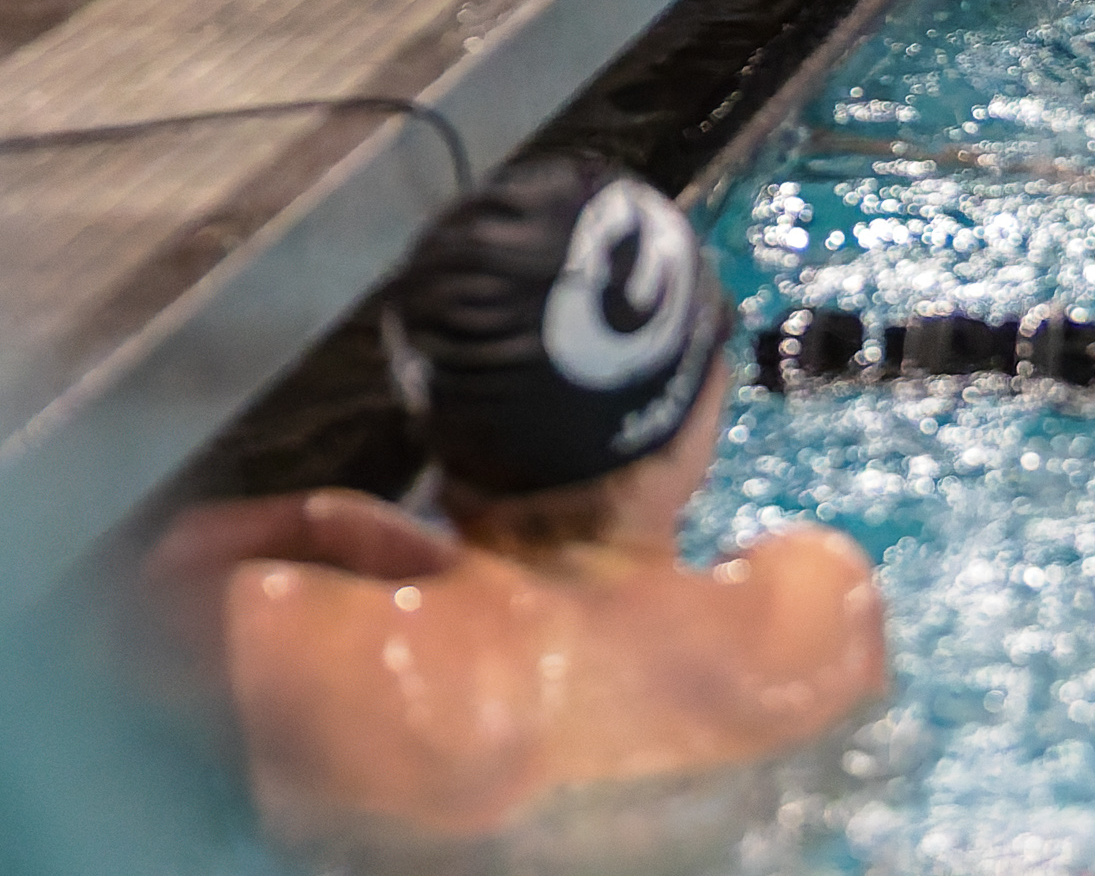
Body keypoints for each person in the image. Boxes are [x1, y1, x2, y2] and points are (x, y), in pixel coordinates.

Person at [170, 156, 882, 852]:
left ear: (432, 407)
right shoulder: (813, 612)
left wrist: (315, 526)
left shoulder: (292, 646)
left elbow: (96, 610)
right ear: (689, 395)